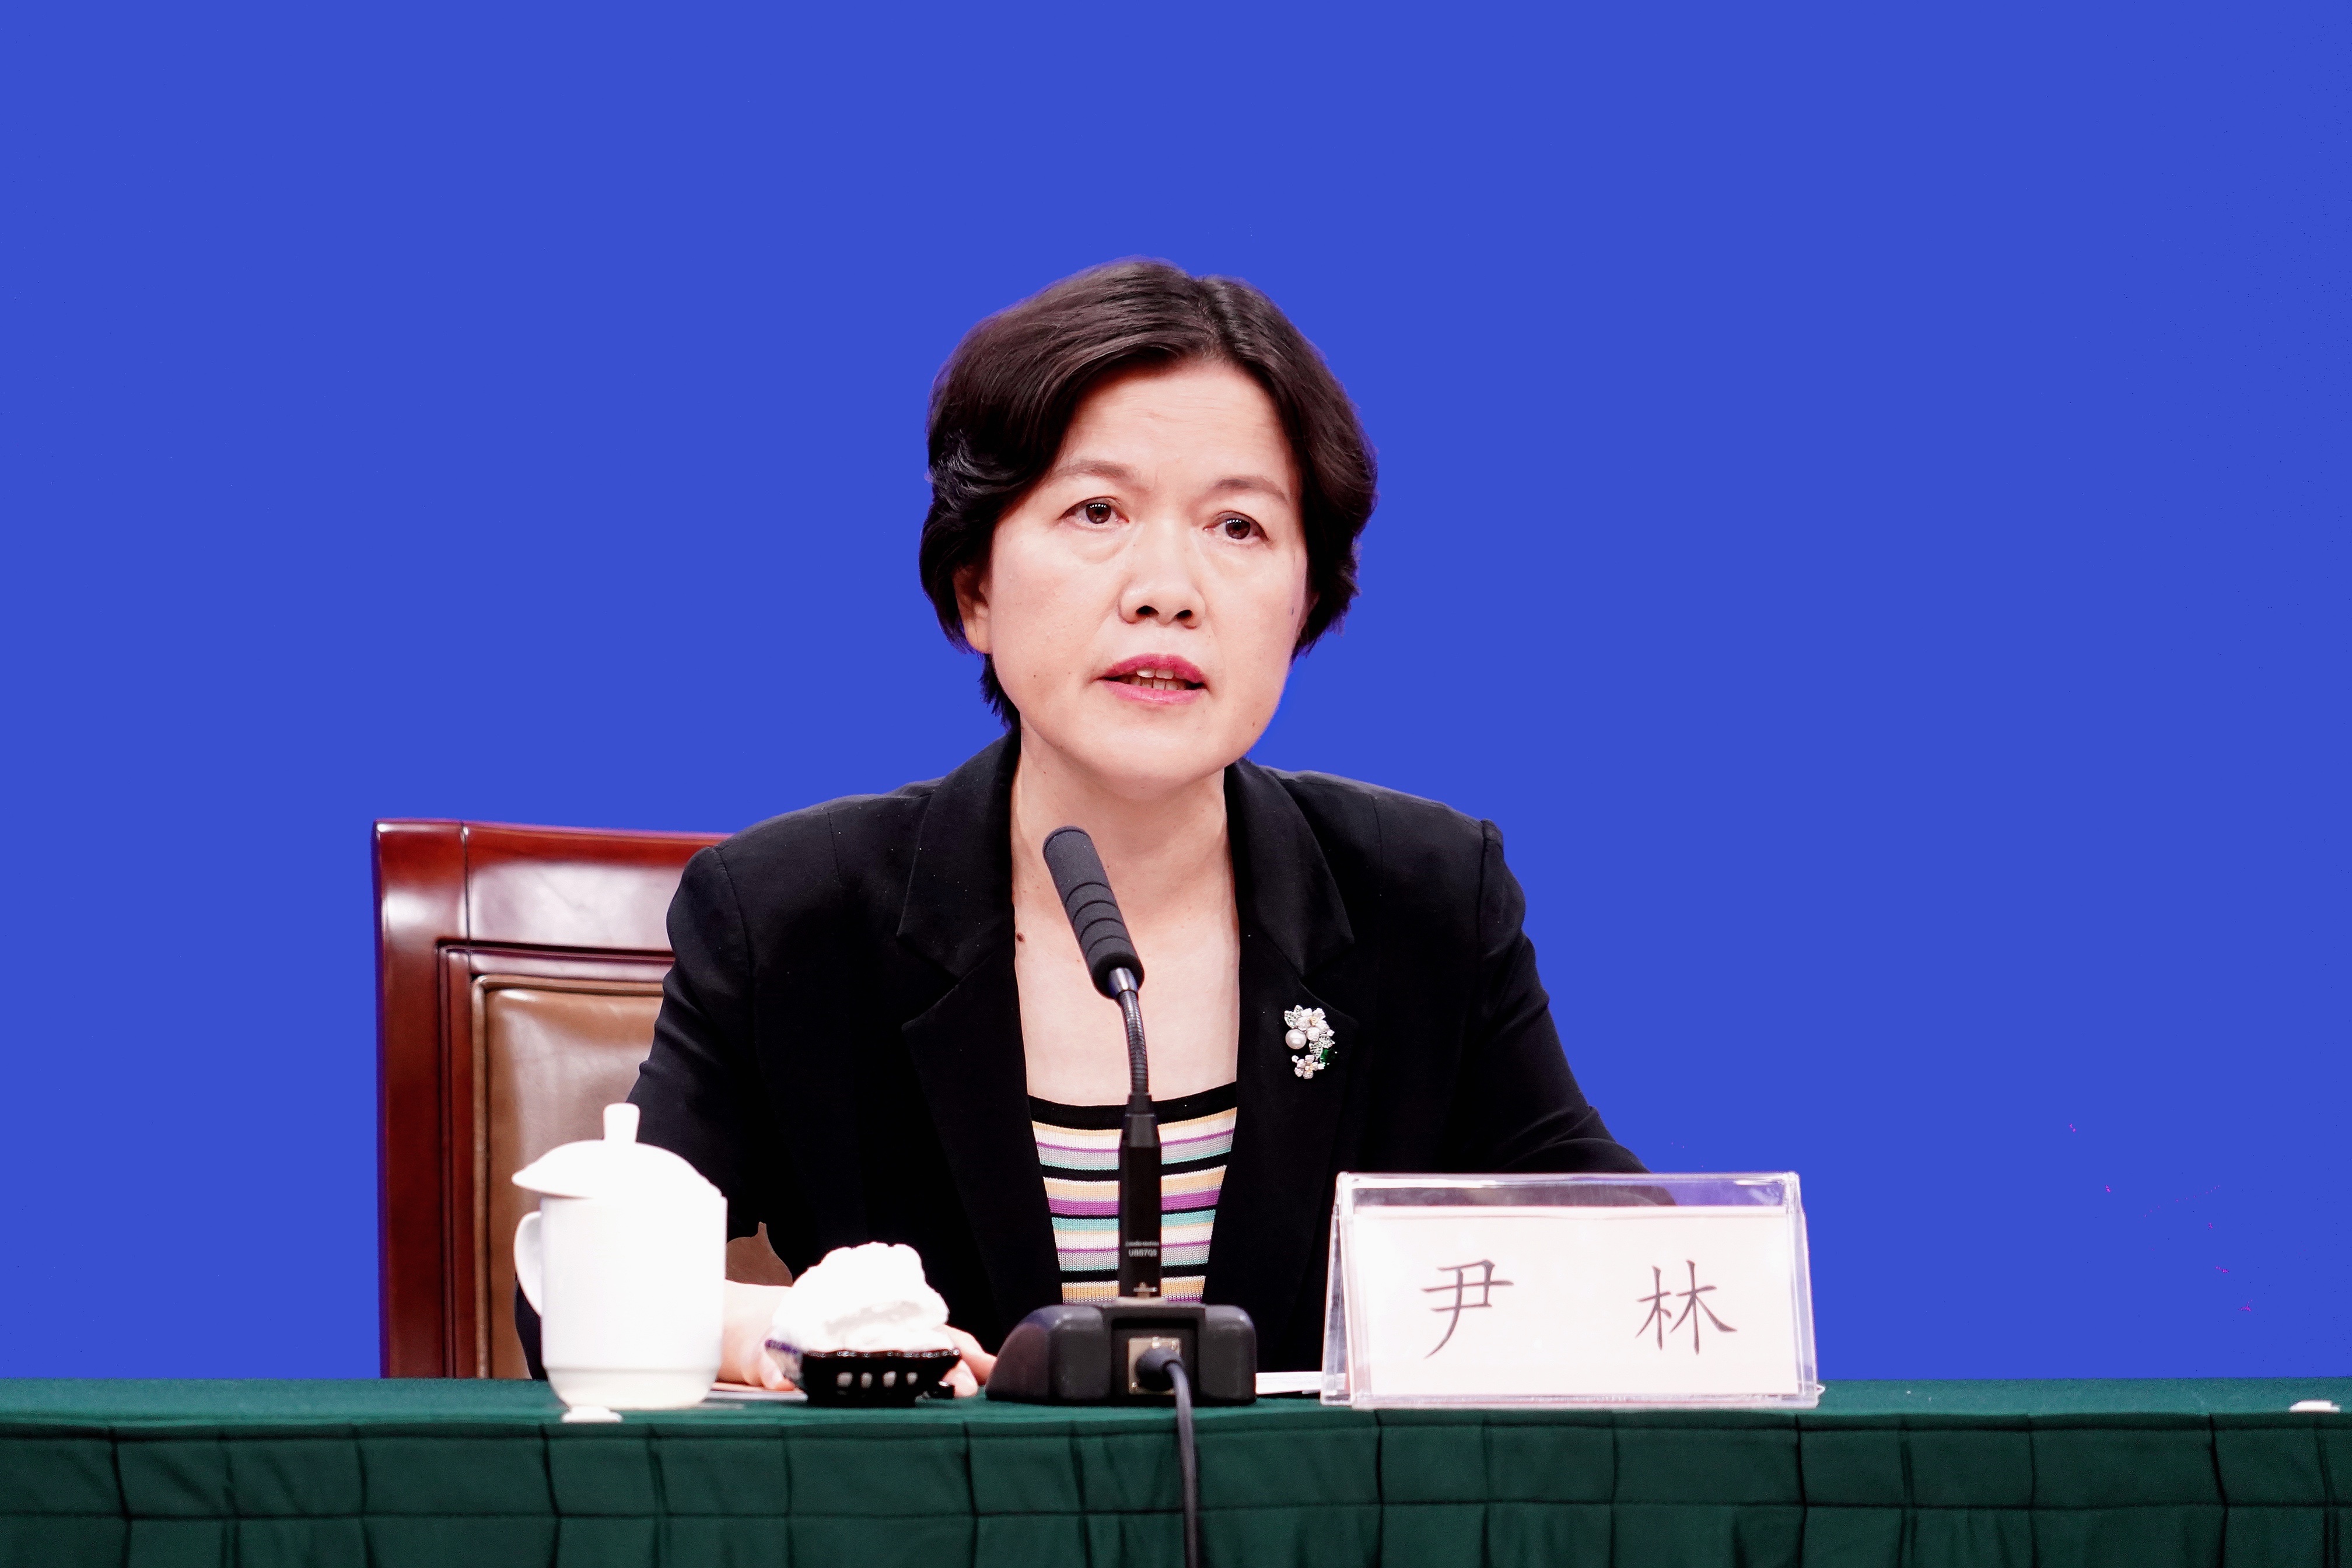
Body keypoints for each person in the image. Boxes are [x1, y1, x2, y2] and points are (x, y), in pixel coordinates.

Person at [519, 260, 1644, 1389]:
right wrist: (788, 1331)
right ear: (976, 588)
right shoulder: (792, 920)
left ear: (1306, 598)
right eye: (1097, 511)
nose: (1168, 588)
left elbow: (1634, 1267)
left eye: (1239, 526)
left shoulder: (1427, 902)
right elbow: (574, 1288)